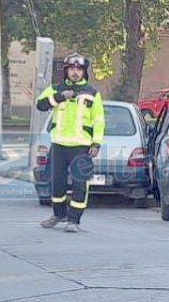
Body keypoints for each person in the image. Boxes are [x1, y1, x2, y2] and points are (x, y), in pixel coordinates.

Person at [36, 53, 105, 233]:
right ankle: (58, 214)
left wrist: (96, 143)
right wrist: (59, 97)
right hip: (59, 144)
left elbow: (99, 121)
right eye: (72, 69)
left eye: (79, 69)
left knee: (80, 184)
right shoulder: (56, 88)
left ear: (84, 72)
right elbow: (40, 105)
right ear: (67, 71)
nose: (75, 73)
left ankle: (73, 220)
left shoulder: (92, 93)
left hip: (81, 146)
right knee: (55, 182)